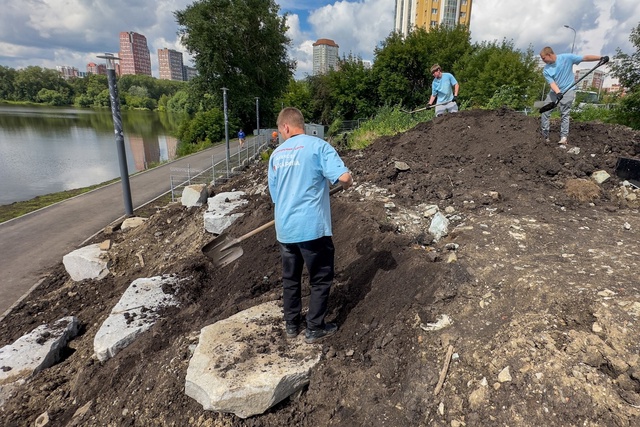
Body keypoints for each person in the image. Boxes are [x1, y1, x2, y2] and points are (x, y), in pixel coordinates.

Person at [268, 107, 353, 344]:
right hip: (312, 228)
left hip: (285, 230)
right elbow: (343, 178)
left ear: (285, 127)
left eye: (280, 130)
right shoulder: (318, 146)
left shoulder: (276, 155)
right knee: (320, 278)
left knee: (290, 279)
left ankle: (292, 324)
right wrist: (348, 181)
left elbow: (276, 196)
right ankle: (315, 327)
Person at [539, 46, 608, 145]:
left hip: (568, 91)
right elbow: (552, 83)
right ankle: (544, 136)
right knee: (544, 111)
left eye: (543, 58)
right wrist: (558, 92)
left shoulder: (567, 58)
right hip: (554, 92)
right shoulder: (546, 69)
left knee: (565, 114)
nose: (543, 60)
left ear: (549, 55)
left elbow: (584, 58)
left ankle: (563, 138)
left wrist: (600, 58)